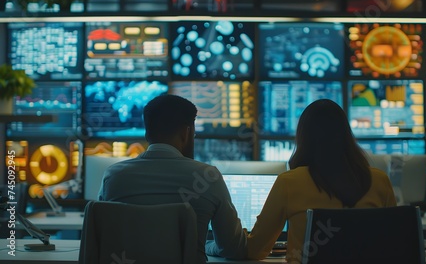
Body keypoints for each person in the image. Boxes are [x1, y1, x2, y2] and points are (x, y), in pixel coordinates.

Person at [98, 93, 247, 263]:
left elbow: (103, 239)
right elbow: (233, 248)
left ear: (147, 134)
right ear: (186, 132)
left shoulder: (113, 176)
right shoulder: (208, 178)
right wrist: (205, 246)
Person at [246, 99, 397, 263]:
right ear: (346, 136)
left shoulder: (289, 182)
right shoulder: (380, 181)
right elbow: (396, 246)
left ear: (303, 138)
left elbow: (255, 250)